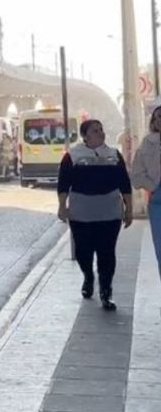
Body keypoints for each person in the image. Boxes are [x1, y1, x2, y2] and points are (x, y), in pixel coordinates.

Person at [57, 119, 133, 311]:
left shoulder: (114, 155)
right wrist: (61, 206)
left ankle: (106, 292)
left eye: (101, 129)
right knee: (84, 252)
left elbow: (124, 183)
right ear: (85, 135)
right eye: (95, 130)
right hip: (81, 213)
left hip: (109, 212)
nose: (100, 133)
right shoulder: (72, 156)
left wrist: (129, 208)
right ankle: (88, 276)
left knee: (107, 254)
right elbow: (64, 183)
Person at [132, 105, 161, 270]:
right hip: (158, 200)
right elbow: (137, 175)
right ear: (154, 122)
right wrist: (153, 186)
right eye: (159, 117)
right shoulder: (147, 144)